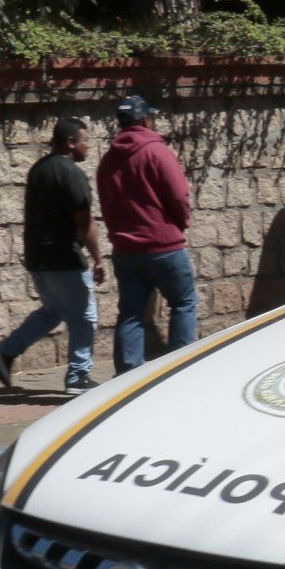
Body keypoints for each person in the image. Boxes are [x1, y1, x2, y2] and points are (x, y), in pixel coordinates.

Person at [0, 118, 105, 396]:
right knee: (84, 316)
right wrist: (99, 257)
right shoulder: (71, 174)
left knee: (53, 311)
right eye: (85, 140)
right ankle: (78, 376)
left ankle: (6, 352)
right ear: (70, 142)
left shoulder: (38, 170)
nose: (88, 146)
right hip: (64, 256)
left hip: (37, 256)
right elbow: (84, 221)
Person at [96, 94, 196, 375]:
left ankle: (127, 375)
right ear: (145, 119)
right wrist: (180, 223)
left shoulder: (108, 160)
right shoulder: (157, 151)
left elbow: (106, 202)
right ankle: (180, 368)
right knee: (184, 303)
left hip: (126, 250)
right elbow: (178, 195)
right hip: (164, 246)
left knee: (130, 314)